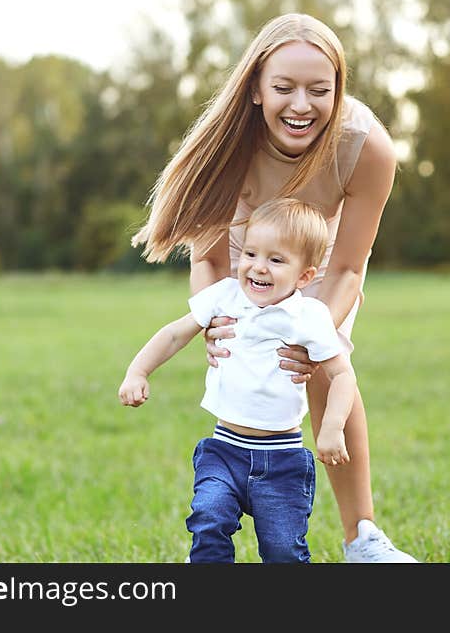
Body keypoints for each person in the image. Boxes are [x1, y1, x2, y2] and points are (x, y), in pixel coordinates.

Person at [131, 12, 417, 562]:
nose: (301, 105)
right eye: (284, 88)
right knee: (257, 368)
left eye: (319, 90)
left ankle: (364, 538)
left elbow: (348, 270)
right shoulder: (227, 147)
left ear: (340, 90)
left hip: (319, 257)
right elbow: (211, 259)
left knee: (325, 368)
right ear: (257, 89)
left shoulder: (367, 148)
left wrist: (314, 335)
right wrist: (215, 322)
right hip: (243, 252)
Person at [119, 198, 356, 562]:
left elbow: (342, 375)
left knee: (283, 550)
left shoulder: (308, 316)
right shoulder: (225, 296)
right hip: (224, 450)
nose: (258, 267)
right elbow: (173, 334)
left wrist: (333, 427)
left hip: (282, 459)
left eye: (276, 260)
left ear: (305, 276)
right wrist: (138, 371)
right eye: (250, 253)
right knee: (208, 519)